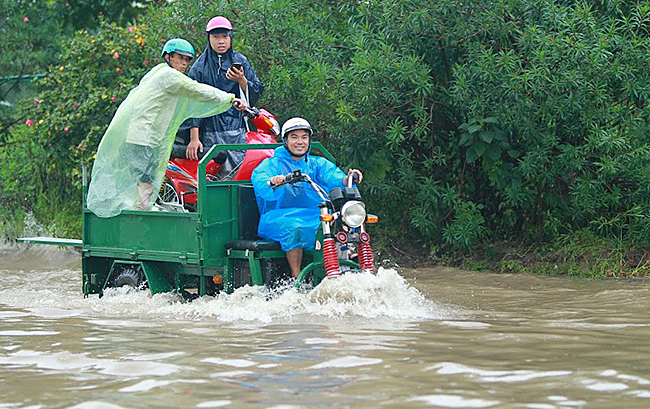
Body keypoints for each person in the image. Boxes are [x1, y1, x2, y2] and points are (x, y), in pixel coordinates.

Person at [86, 38, 247, 218]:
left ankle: (142, 210)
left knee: (143, 180)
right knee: (145, 180)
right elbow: (198, 90)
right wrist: (229, 99)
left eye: (188, 60)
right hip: (143, 138)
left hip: (144, 136)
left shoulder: (157, 72)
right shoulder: (168, 76)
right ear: (168, 57)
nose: (185, 63)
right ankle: (143, 215)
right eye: (180, 58)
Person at [251, 118, 363, 278]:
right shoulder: (271, 164)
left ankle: (349, 267)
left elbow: (334, 176)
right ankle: (297, 277)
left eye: (304, 137)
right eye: (294, 137)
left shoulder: (317, 164)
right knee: (294, 228)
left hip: (314, 215)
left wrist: (349, 178)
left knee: (340, 224)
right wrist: (275, 181)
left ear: (309, 140)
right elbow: (262, 182)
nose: (300, 142)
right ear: (285, 140)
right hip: (278, 217)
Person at [171, 16, 265, 175]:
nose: (221, 41)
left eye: (225, 36)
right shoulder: (200, 67)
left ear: (231, 38)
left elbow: (255, 91)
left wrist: (241, 79)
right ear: (209, 38)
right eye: (216, 37)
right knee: (214, 172)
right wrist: (194, 138)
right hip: (209, 129)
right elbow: (193, 103)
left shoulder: (240, 61)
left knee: (238, 171)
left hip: (236, 128)